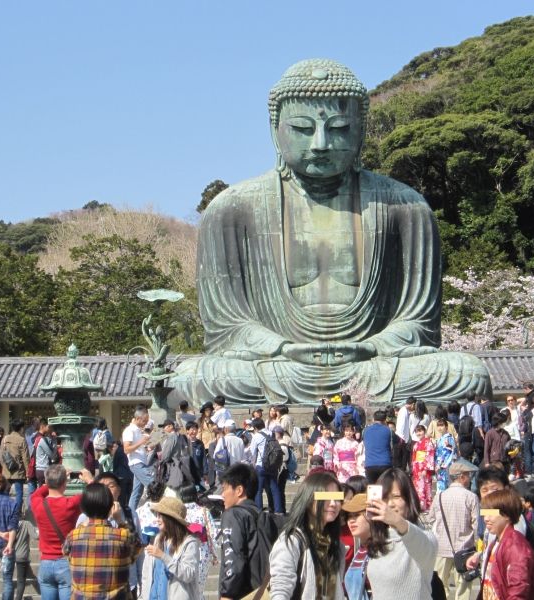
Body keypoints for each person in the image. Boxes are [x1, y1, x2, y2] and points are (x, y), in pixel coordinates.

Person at [169, 58, 492, 406]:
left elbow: (418, 321)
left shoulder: (405, 206)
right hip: (278, 365)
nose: (321, 143)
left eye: (338, 128)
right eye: (303, 129)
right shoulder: (231, 209)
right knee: (191, 378)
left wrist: (371, 346)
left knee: (466, 372)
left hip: (371, 362)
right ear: (275, 130)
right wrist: (282, 348)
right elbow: (227, 326)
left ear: (361, 131)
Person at [269, 470, 345, 599]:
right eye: (326, 497)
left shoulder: (337, 545)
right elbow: (280, 589)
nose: (333, 503)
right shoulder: (291, 542)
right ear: (309, 500)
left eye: (337, 498)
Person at [364, 468, 438, 599]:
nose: (390, 504)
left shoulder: (424, 537)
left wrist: (398, 521)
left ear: (409, 500)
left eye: (396, 497)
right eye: (384, 498)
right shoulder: (379, 540)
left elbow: (420, 542)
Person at [63, 482, 140, 599]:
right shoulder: (123, 536)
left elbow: (66, 554)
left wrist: (82, 527)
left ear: (83, 507)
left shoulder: (73, 537)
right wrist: (121, 522)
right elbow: (136, 549)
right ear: (111, 507)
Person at [31, 464, 94, 600]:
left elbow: (37, 493)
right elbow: (94, 495)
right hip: (66, 561)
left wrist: (51, 481)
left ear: (47, 482)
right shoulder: (71, 503)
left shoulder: (37, 503)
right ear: (65, 484)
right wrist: (90, 480)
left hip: (46, 562)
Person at [480, 488, 534, 599]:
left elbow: (518, 589)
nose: (486, 519)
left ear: (507, 515)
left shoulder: (515, 545)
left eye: (491, 513)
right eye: (485, 514)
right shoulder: (497, 541)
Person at [429, 459, 479, 600]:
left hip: (441, 547)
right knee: (463, 588)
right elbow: (476, 525)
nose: (469, 479)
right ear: (462, 476)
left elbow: (431, 518)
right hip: (464, 549)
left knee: (439, 585)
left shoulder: (439, 496)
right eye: (468, 475)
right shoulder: (471, 497)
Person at [142, 495, 201, 600]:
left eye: (161, 516)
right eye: (157, 515)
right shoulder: (158, 539)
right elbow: (146, 574)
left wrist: (163, 556)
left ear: (170, 519)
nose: (157, 520)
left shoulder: (189, 543)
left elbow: (189, 574)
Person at [217, 464, 260, 600]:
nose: (222, 495)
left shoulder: (233, 515)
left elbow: (233, 559)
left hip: (240, 594)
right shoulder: (260, 515)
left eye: (224, 489)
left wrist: (226, 594)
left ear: (239, 490)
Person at [123, 407, 155, 513]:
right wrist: (142, 442)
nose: (145, 424)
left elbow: (137, 447)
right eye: (144, 421)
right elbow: (126, 449)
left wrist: (147, 447)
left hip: (141, 461)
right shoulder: (129, 430)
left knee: (137, 492)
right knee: (153, 485)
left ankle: (131, 514)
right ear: (137, 418)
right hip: (136, 463)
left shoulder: (137, 430)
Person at [340, 492, 372, 600]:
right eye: (349, 516)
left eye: (357, 515)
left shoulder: (381, 549)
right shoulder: (362, 549)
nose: (351, 521)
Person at [249, 417, 283, 513]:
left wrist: (253, 465)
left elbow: (253, 453)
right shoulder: (271, 433)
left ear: (255, 427)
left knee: (258, 490)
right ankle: (278, 510)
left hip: (261, 465)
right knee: (274, 488)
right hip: (272, 464)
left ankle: (258, 511)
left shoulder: (256, 436)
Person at [0, 419, 30, 515]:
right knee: (19, 493)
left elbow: (1, 456)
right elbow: (26, 458)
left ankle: (5, 510)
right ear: (21, 429)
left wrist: (4, 467)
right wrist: (28, 472)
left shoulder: (5, 439)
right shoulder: (21, 440)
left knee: (5, 491)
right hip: (18, 471)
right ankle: (16, 512)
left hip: (6, 471)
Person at [362, 410, 392, 484]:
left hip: (370, 464)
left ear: (373, 419)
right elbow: (392, 447)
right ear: (385, 420)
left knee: (373, 490)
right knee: (385, 488)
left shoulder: (365, 430)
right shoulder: (388, 430)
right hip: (385, 463)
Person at [410, 424, 435, 511]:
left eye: (420, 431)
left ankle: (427, 507)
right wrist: (414, 469)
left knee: (426, 487)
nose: (419, 433)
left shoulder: (428, 442)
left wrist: (425, 469)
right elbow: (414, 458)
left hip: (424, 469)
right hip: (417, 469)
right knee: (419, 488)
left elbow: (430, 456)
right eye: (417, 431)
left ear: (424, 431)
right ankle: (420, 506)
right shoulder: (416, 444)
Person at [433, 419, 456, 493]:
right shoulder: (440, 438)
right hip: (439, 463)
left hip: (445, 464)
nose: (440, 428)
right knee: (440, 484)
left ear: (446, 427)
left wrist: (442, 464)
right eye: (438, 426)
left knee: (444, 484)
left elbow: (450, 453)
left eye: (442, 425)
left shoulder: (448, 438)